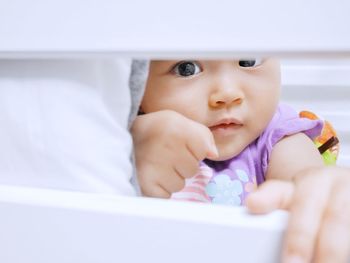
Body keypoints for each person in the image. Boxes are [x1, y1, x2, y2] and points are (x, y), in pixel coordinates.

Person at [130, 59, 350, 263]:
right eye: (186, 68)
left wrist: (319, 191)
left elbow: (306, 182)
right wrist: (133, 159)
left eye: (248, 61)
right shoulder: (123, 143)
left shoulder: (279, 138)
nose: (227, 93)